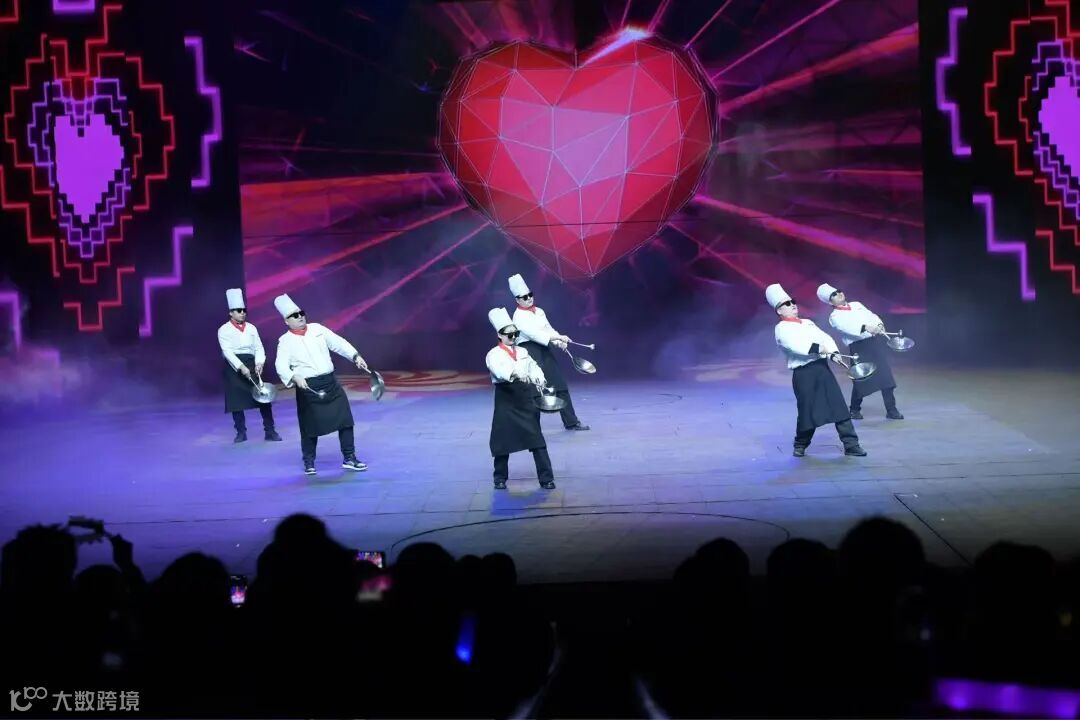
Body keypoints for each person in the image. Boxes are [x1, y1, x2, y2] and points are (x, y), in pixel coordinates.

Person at [272, 294, 368, 476]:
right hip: (309, 387)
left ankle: (349, 457)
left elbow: (338, 343)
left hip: (330, 382)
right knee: (310, 427)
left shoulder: (317, 329)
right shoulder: (285, 341)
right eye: (294, 315)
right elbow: (281, 365)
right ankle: (308, 461)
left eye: (301, 313)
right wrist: (294, 376)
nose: (300, 317)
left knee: (345, 420)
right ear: (286, 321)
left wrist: (355, 356)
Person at [767, 283, 867, 458]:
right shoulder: (781, 328)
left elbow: (825, 338)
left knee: (838, 406)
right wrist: (820, 348)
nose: (792, 305)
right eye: (787, 304)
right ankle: (800, 444)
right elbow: (794, 345)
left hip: (822, 369)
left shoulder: (808, 323)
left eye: (793, 302)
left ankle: (851, 445)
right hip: (804, 374)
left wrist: (834, 354)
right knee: (808, 411)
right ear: (779, 311)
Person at [485, 307, 556, 490]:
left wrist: (539, 378)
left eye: (515, 334)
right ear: (500, 335)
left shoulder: (523, 352)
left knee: (536, 438)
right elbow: (498, 370)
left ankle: (546, 478)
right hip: (506, 398)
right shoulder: (494, 354)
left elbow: (533, 367)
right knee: (502, 439)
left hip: (525, 397)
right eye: (509, 335)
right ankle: (499, 477)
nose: (513, 337)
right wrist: (515, 373)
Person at [508, 274, 589, 431]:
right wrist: (557, 337)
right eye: (524, 297)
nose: (529, 299)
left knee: (560, 385)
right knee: (535, 389)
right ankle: (531, 427)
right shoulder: (518, 317)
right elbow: (534, 334)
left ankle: (571, 422)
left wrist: (560, 342)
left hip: (544, 349)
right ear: (517, 300)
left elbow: (548, 329)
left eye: (530, 295)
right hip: (529, 352)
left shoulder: (539, 311)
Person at [817, 283, 903, 420]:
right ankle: (854, 409)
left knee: (886, 377)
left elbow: (871, 316)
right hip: (859, 348)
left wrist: (879, 324)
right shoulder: (834, 316)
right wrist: (865, 327)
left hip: (873, 343)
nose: (838, 294)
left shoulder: (856, 304)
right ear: (830, 302)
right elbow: (847, 327)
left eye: (838, 291)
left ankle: (891, 410)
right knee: (861, 379)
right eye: (833, 294)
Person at [217, 288, 281, 443]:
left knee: (263, 398)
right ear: (231, 313)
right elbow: (227, 351)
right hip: (234, 367)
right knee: (236, 402)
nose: (242, 313)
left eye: (244, 310)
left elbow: (258, 347)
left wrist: (259, 362)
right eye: (239, 311)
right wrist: (240, 367)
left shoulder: (252, 328)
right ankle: (241, 432)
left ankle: (270, 431)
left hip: (252, 364)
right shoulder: (224, 330)